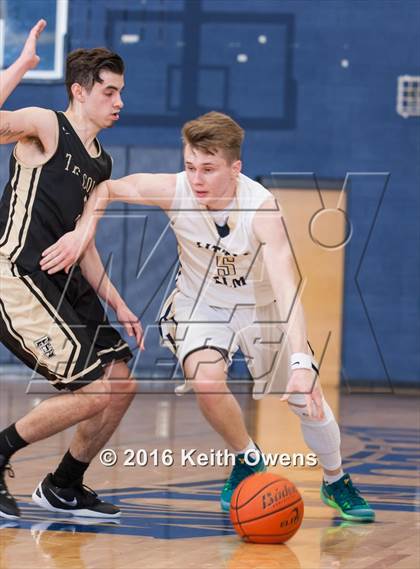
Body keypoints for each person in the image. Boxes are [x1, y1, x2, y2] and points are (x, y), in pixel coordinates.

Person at [41, 111, 375, 522]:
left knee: (308, 401)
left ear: (236, 168)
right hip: (201, 303)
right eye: (190, 166)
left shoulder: (261, 210)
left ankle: (335, 479)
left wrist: (302, 363)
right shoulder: (174, 189)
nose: (197, 178)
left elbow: (289, 289)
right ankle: (248, 458)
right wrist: (83, 231)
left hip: (262, 306)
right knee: (206, 379)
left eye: (209, 169)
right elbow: (108, 189)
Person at [0, 20, 142, 520]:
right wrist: (21, 65)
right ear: (79, 92)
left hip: (64, 285)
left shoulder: (101, 163)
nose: (118, 101)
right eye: (109, 91)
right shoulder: (44, 125)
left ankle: (63, 484)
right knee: (93, 390)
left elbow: (85, 246)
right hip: (15, 276)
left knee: (121, 381)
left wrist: (119, 304)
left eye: (121, 92)